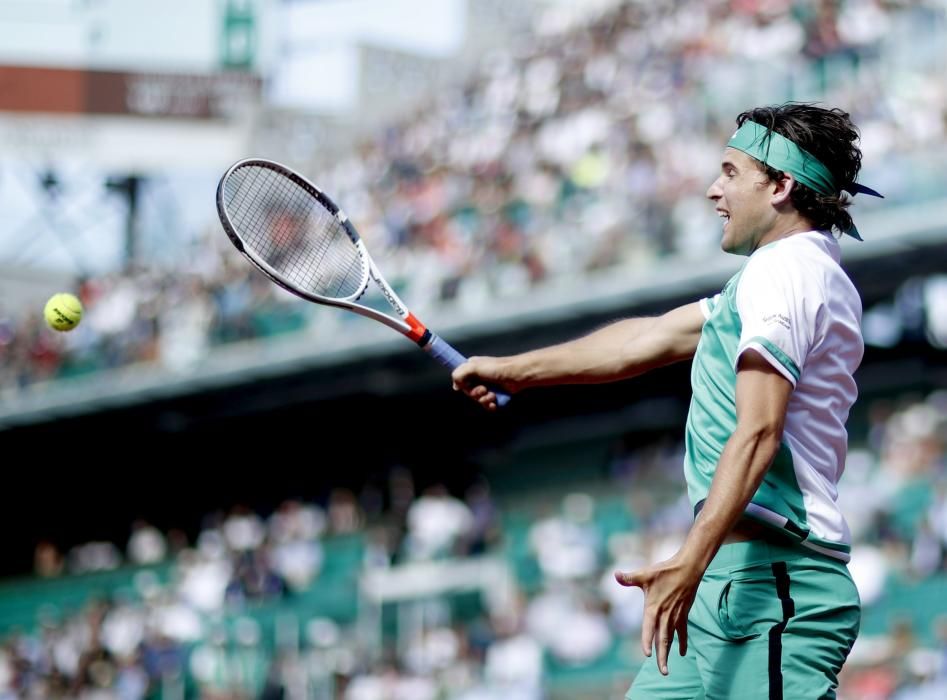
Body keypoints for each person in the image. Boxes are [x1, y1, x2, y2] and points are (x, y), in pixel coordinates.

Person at [451, 103, 881, 699]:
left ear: (782, 186)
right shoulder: (778, 278)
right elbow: (648, 338)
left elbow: (759, 431)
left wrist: (689, 559)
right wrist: (516, 370)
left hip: (771, 585)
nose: (713, 190)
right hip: (725, 590)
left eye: (731, 173)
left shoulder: (784, 273)